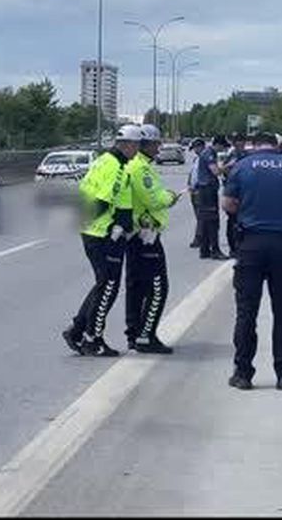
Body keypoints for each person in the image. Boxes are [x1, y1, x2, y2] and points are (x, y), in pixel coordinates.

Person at [222, 132, 282, 391]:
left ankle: (243, 373)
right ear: (277, 146)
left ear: (254, 145)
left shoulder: (241, 166)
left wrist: (249, 207)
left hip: (250, 244)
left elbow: (228, 204)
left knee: (246, 312)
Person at [63, 124, 139, 357]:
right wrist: (119, 226)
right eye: (136, 146)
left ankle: (77, 329)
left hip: (91, 230)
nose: (137, 151)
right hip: (103, 233)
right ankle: (92, 339)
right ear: (127, 145)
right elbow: (103, 202)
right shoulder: (117, 169)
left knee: (101, 284)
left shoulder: (101, 160)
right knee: (108, 286)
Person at [124, 124, 184, 354]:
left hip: (135, 233)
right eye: (156, 143)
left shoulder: (137, 165)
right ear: (144, 144)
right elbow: (154, 200)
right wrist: (170, 197)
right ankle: (145, 336)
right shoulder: (141, 168)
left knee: (136, 287)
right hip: (145, 235)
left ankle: (135, 334)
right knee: (158, 288)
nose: (159, 147)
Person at [196, 136, 231, 259]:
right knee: (212, 221)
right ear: (217, 144)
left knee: (206, 221)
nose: (223, 149)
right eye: (222, 146)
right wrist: (229, 165)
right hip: (207, 190)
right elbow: (215, 171)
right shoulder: (209, 154)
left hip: (205, 190)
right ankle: (215, 250)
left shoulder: (207, 153)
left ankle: (204, 249)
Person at [222, 133, 248, 257]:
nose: (241, 143)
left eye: (242, 141)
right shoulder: (232, 155)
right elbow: (224, 170)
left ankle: (240, 247)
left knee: (241, 221)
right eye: (238, 141)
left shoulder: (245, 155)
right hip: (233, 192)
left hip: (244, 192)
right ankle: (234, 248)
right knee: (233, 221)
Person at [187, 139, 206, 249]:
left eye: (195, 148)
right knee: (198, 215)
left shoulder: (205, 158)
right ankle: (202, 237)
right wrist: (189, 184)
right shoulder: (196, 159)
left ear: (201, 146)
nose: (194, 150)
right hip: (193, 191)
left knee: (201, 216)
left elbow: (203, 176)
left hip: (200, 191)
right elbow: (192, 173)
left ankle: (199, 238)